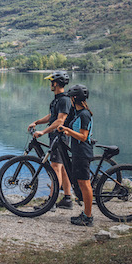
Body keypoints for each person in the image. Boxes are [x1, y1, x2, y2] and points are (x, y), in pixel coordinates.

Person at [28, 70, 73, 209]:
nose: (50, 84)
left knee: (55, 168)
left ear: (56, 83)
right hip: (56, 137)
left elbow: (60, 120)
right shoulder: (58, 99)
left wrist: (43, 131)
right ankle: (67, 198)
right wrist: (37, 122)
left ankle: (51, 202)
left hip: (60, 137)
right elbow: (51, 116)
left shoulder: (65, 99)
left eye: (51, 82)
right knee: (63, 168)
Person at [58, 84, 94, 226]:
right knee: (81, 182)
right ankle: (85, 213)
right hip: (78, 152)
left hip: (83, 152)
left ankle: (88, 217)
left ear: (74, 98)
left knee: (85, 184)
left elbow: (84, 136)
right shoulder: (78, 112)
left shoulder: (84, 114)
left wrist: (68, 130)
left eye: (70, 97)